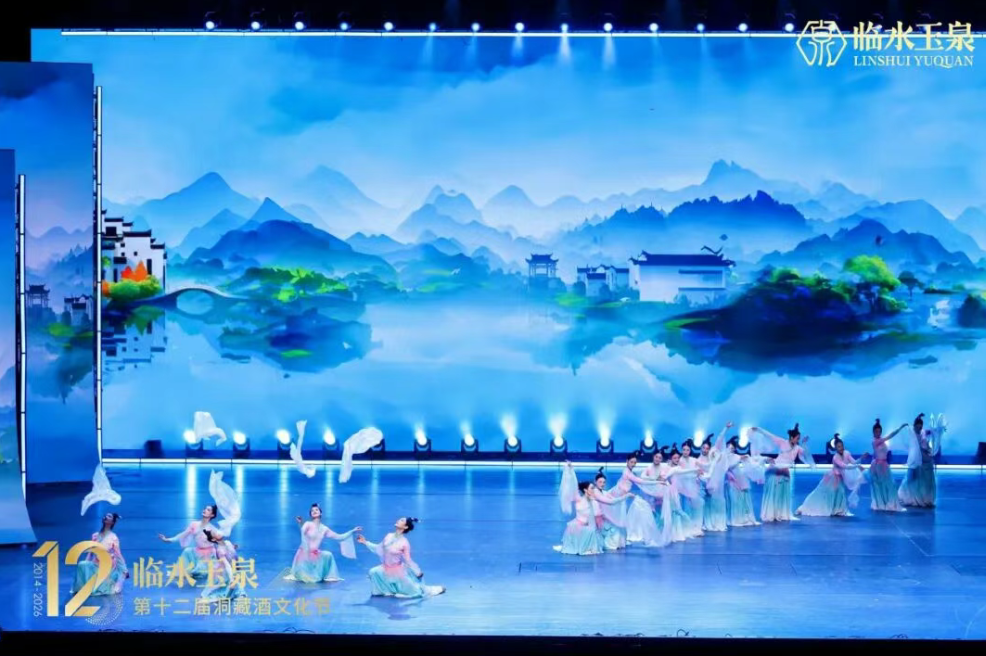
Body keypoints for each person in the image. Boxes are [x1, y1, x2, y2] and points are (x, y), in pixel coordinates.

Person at [356, 517, 445, 597]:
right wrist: (365, 542)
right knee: (373, 572)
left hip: (398, 571)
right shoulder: (388, 536)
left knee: (416, 591)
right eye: (400, 519)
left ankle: (433, 590)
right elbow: (379, 548)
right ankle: (387, 591)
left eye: (402, 520)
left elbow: (408, 559)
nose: (398, 520)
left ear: (405, 527)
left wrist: (417, 571)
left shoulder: (404, 543)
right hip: (385, 568)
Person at [750, 424, 815, 522]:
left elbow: (804, 455)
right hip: (776, 468)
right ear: (792, 437)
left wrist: (804, 444)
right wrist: (759, 429)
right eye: (797, 438)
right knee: (773, 493)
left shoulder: (797, 448)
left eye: (799, 439)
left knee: (783, 494)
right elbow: (770, 435)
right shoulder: (782, 442)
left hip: (785, 471)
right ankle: (771, 513)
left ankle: (781, 513)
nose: (798, 440)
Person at [286, 503, 361, 582]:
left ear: (321, 513)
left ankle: (328, 575)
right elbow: (303, 532)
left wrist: (352, 531)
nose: (314, 511)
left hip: (314, 554)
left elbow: (339, 537)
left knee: (328, 554)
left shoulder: (324, 529)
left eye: (316, 510)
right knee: (306, 577)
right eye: (312, 511)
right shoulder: (308, 524)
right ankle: (306, 571)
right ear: (311, 514)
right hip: (304, 554)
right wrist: (301, 523)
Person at [796, 435, 867, 517]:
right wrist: (858, 464)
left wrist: (860, 461)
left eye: (842, 446)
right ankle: (808, 507)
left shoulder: (847, 453)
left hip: (840, 478)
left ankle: (839, 510)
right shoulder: (835, 458)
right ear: (835, 448)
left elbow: (853, 462)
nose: (841, 448)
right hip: (833, 478)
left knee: (840, 493)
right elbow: (845, 466)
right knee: (827, 493)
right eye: (839, 447)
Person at [71, 512, 128, 596]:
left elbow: (118, 554)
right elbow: (91, 552)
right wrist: (86, 565)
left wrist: (124, 569)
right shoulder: (95, 536)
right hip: (95, 564)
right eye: (105, 515)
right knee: (82, 564)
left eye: (109, 516)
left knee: (99, 588)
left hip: (106, 566)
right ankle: (84, 586)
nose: (106, 517)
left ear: (112, 522)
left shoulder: (113, 537)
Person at [157, 504, 220, 578]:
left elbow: (220, 543)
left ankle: (204, 568)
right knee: (187, 551)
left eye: (208, 510)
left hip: (208, 555)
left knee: (199, 573)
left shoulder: (212, 529)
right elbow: (183, 534)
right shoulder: (194, 524)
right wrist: (168, 540)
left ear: (212, 515)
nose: (205, 510)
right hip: (197, 552)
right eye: (205, 509)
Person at [555, 462, 604, 555]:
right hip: (580, 525)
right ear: (585, 490)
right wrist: (570, 471)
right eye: (591, 488)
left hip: (590, 526)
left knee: (591, 531)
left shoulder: (594, 499)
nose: (594, 490)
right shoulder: (579, 499)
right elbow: (573, 485)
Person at [898, 413, 945, 508]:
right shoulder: (913, 434)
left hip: (926, 459)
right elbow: (917, 446)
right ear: (914, 426)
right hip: (918, 459)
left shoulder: (922, 431)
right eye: (918, 427)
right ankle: (916, 497)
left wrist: (938, 430)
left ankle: (926, 498)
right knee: (915, 480)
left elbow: (929, 432)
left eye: (921, 427)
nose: (919, 429)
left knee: (926, 480)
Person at [868, 419, 909, 512]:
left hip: (884, 465)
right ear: (873, 432)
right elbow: (890, 436)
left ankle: (888, 502)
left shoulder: (882, 441)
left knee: (888, 485)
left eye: (879, 431)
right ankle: (882, 503)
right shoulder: (874, 441)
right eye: (876, 431)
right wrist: (900, 428)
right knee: (882, 485)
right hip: (878, 466)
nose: (878, 433)